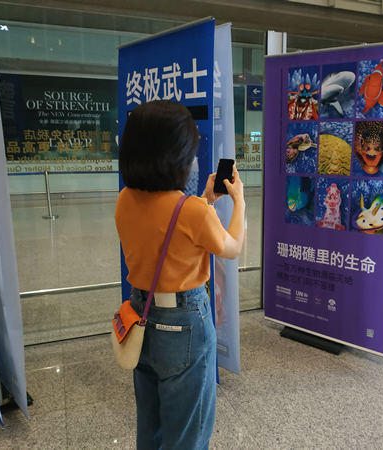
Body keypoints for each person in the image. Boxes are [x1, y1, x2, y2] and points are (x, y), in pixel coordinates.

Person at [115, 100, 245, 450]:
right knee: (188, 432)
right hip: (184, 321)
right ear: (177, 156)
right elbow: (232, 246)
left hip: (140, 315)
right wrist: (240, 202)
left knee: (151, 424)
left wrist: (205, 200)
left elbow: (167, 233)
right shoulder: (191, 212)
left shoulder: (124, 199)